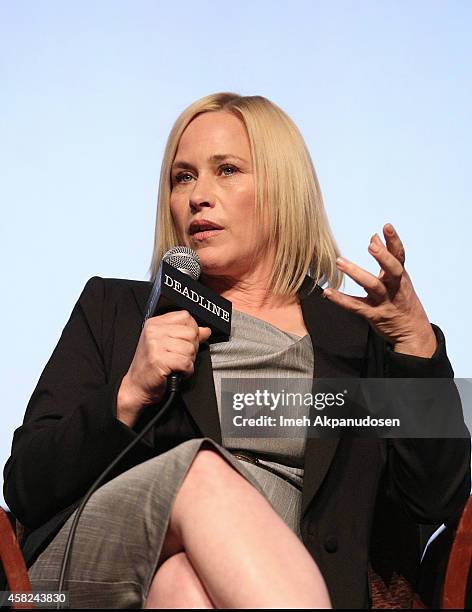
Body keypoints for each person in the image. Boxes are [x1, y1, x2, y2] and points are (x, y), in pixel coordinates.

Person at [3, 92, 470, 609]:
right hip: (91, 573)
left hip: (255, 583)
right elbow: (26, 484)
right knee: (201, 471)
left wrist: (414, 344)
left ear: (282, 189)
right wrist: (130, 392)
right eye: (183, 177)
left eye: (226, 170)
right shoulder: (117, 310)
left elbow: (437, 501)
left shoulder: (357, 340)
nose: (198, 195)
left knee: (183, 588)